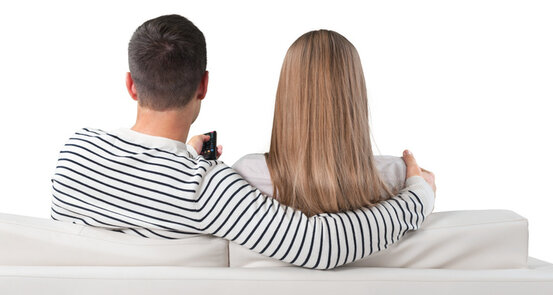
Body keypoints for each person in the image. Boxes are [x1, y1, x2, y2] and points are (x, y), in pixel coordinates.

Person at [49, 14, 436, 270]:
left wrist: (187, 158)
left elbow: (139, 194)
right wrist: (417, 197)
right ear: (203, 84)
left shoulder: (75, 153)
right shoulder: (207, 189)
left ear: (131, 85)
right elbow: (323, 245)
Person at [233, 30, 437, 257]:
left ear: (287, 96)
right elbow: (426, 182)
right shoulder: (396, 179)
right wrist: (420, 185)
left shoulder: (247, 175)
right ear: (355, 94)